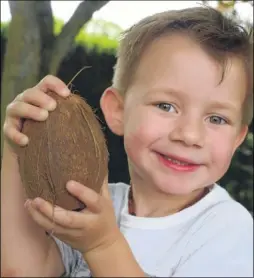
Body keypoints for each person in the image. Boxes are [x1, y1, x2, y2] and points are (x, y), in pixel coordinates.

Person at [1, 6, 253, 277]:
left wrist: (102, 246)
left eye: (216, 119)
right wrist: (19, 145)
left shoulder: (230, 230)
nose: (189, 135)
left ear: (238, 137)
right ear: (118, 111)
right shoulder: (97, 202)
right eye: (166, 106)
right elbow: (22, 270)